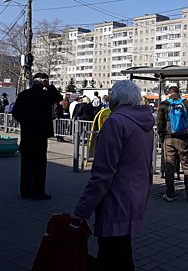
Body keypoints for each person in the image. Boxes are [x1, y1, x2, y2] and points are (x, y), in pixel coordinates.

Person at [71, 80, 155, 271]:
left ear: (115, 102)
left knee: (112, 255)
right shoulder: (145, 124)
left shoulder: (115, 123)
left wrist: (81, 211)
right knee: (122, 252)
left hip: (115, 199)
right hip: (135, 196)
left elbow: (102, 174)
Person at [11, 72, 62, 200]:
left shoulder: (23, 94)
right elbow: (58, 97)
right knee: (39, 164)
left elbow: (15, 112)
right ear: (43, 81)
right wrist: (49, 86)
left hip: (27, 134)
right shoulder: (45, 95)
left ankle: (25, 190)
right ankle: (37, 191)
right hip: (40, 134)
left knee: (26, 163)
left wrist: (26, 122)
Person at [157, 85, 188, 202]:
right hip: (184, 139)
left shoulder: (164, 104)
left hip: (169, 139)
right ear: (179, 93)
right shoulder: (187, 103)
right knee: (187, 166)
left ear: (169, 94)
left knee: (169, 166)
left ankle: (169, 194)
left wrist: (162, 138)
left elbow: (160, 123)